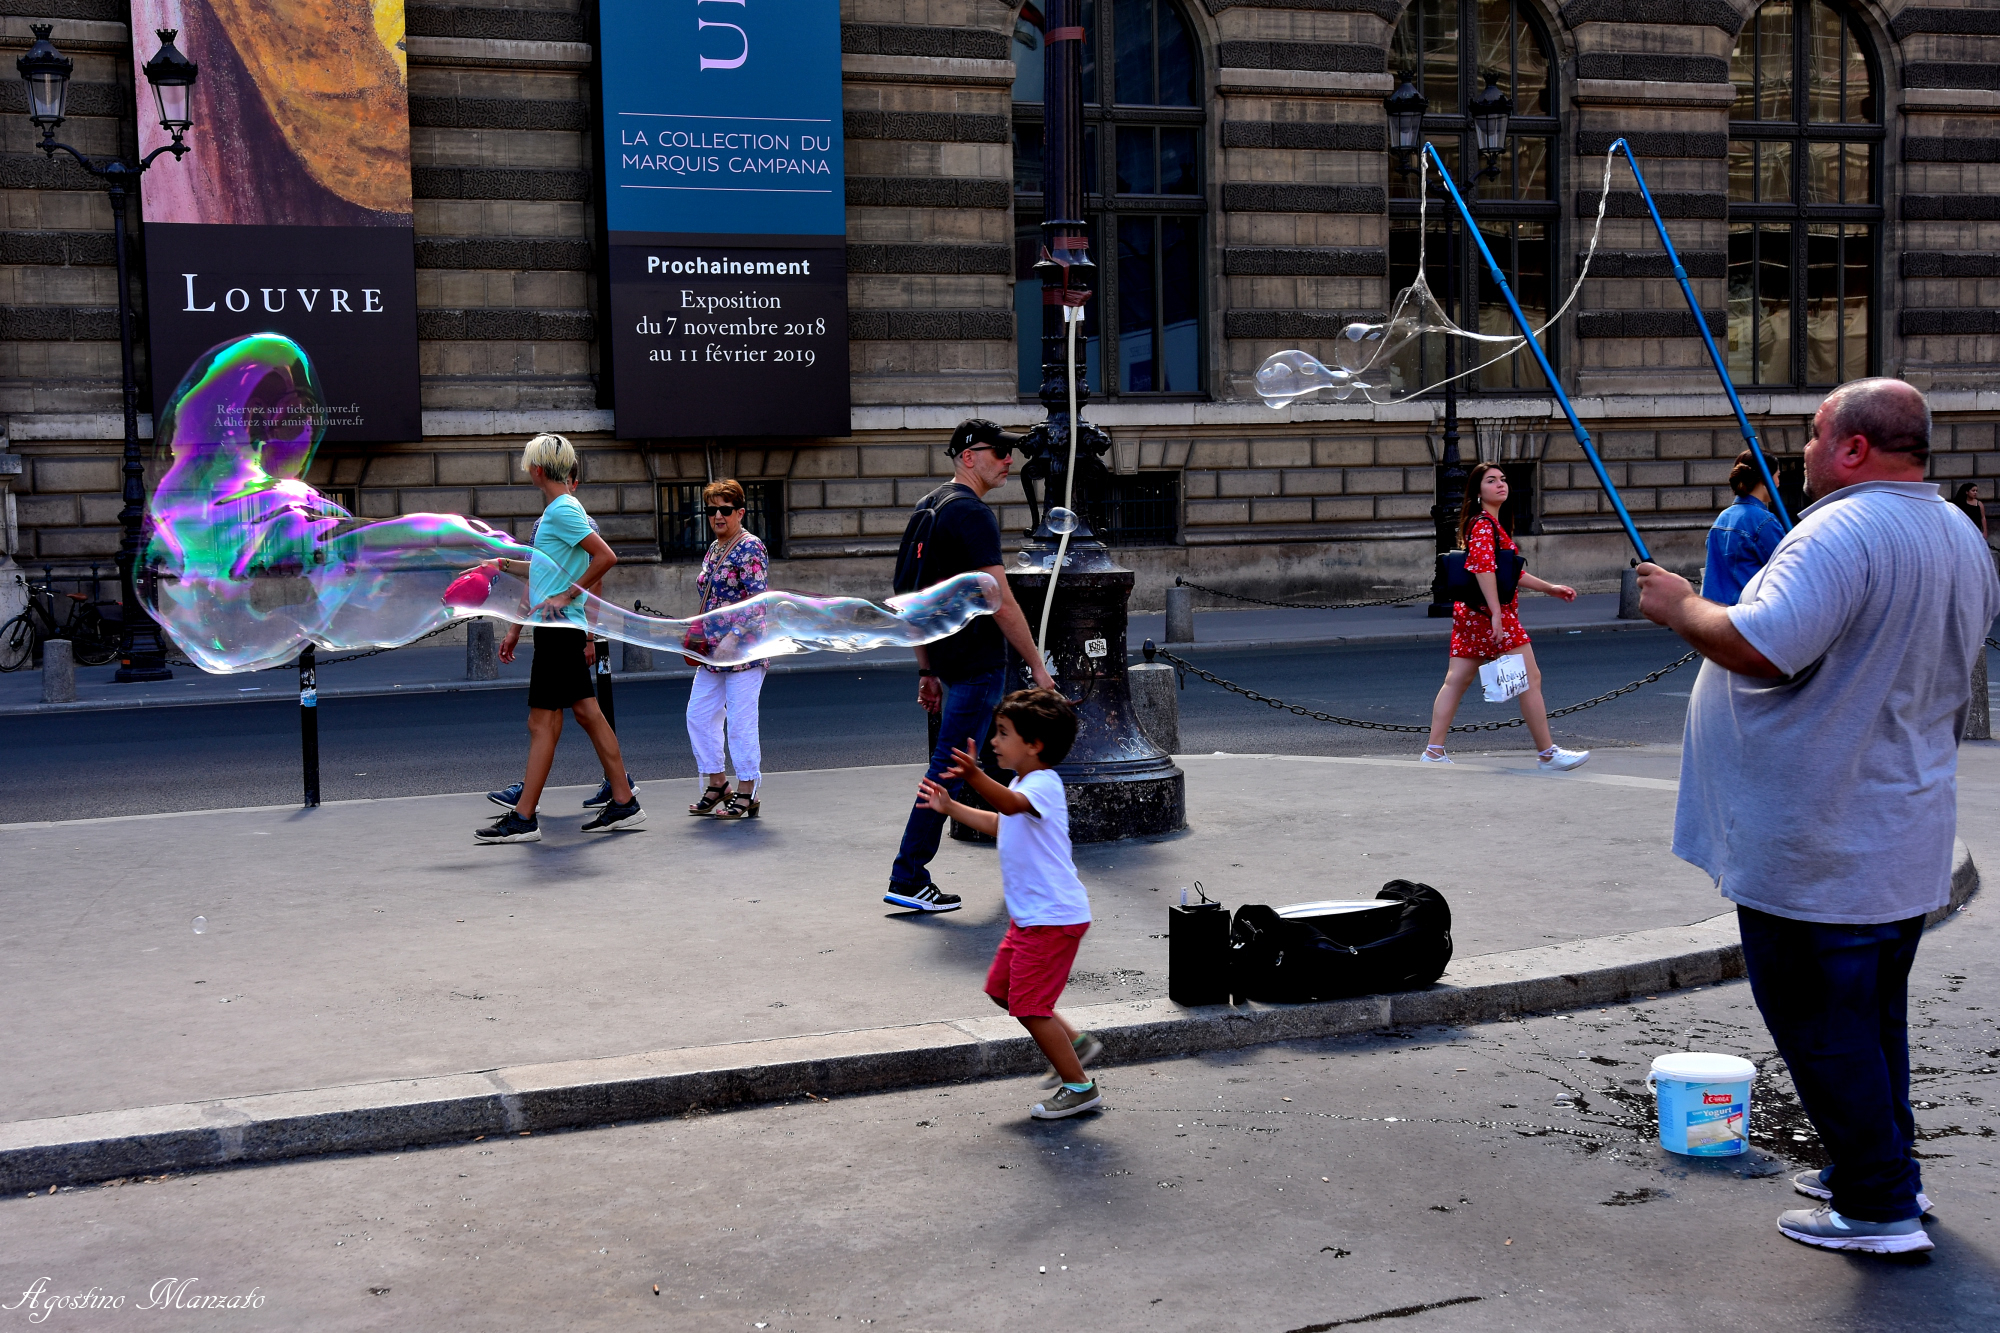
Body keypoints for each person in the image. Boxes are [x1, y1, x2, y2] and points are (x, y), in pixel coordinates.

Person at [1637, 377, 2000, 1256]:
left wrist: (1680, 605)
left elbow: (1763, 647)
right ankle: (1881, 1171)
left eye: (1813, 434)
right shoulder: (1957, 529)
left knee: (1822, 1025)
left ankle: (1877, 1207)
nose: (1801, 450)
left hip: (1821, 844)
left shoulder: (1840, 530)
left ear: (1853, 447)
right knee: (1869, 1020)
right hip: (1894, 831)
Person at [884, 421, 1056, 913]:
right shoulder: (973, 514)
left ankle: (1024, 853)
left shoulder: (927, 507)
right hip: (978, 663)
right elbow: (1000, 601)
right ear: (967, 457)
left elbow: (909, 598)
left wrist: (927, 670)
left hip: (948, 660)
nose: (1008, 460)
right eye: (997, 452)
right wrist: (1037, 667)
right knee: (954, 765)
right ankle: (908, 875)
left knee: (990, 757)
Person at [917, 689, 1103, 1119]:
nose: (994, 741)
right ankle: (1076, 1044)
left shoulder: (1043, 784)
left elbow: (1009, 805)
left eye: (1003, 733)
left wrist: (975, 776)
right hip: (1031, 919)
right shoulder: (1022, 783)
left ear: (1034, 744)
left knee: (1029, 1005)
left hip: (1053, 918)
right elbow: (1001, 822)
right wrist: (951, 806)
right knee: (1003, 991)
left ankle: (1080, 1086)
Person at [474, 433, 645, 843]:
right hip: (557, 629)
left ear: (537, 470)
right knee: (583, 714)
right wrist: (502, 565)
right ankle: (622, 800)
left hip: (559, 629)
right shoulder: (560, 510)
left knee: (543, 722)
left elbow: (605, 557)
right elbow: (542, 569)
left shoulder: (562, 510)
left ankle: (524, 817)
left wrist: (568, 595)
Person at [1421, 462, 1589, 770]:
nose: (1501, 484)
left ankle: (1433, 751)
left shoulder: (1486, 524)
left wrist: (1549, 588)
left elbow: (1508, 573)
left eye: (1503, 479)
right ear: (1477, 491)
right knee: (1530, 678)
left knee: (1456, 680)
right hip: (1490, 613)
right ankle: (1547, 754)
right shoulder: (1484, 525)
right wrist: (1497, 613)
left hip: (1472, 613)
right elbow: (1483, 568)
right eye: (1491, 480)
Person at [685, 479, 769, 821]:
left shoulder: (751, 547)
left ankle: (748, 790)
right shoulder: (714, 548)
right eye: (712, 510)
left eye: (725, 509)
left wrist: (733, 637)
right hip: (712, 651)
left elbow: (758, 601)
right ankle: (718, 783)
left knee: (740, 722)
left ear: (740, 512)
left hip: (744, 651)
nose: (717, 516)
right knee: (699, 714)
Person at [1702, 450, 1788, 606]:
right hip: (1746, 612)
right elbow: (1786, 571)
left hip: (1713, 611)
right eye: (1777, 476)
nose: (1778, 483)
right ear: (1765, 479)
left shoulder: (1722, 518)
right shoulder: (1764, 521)